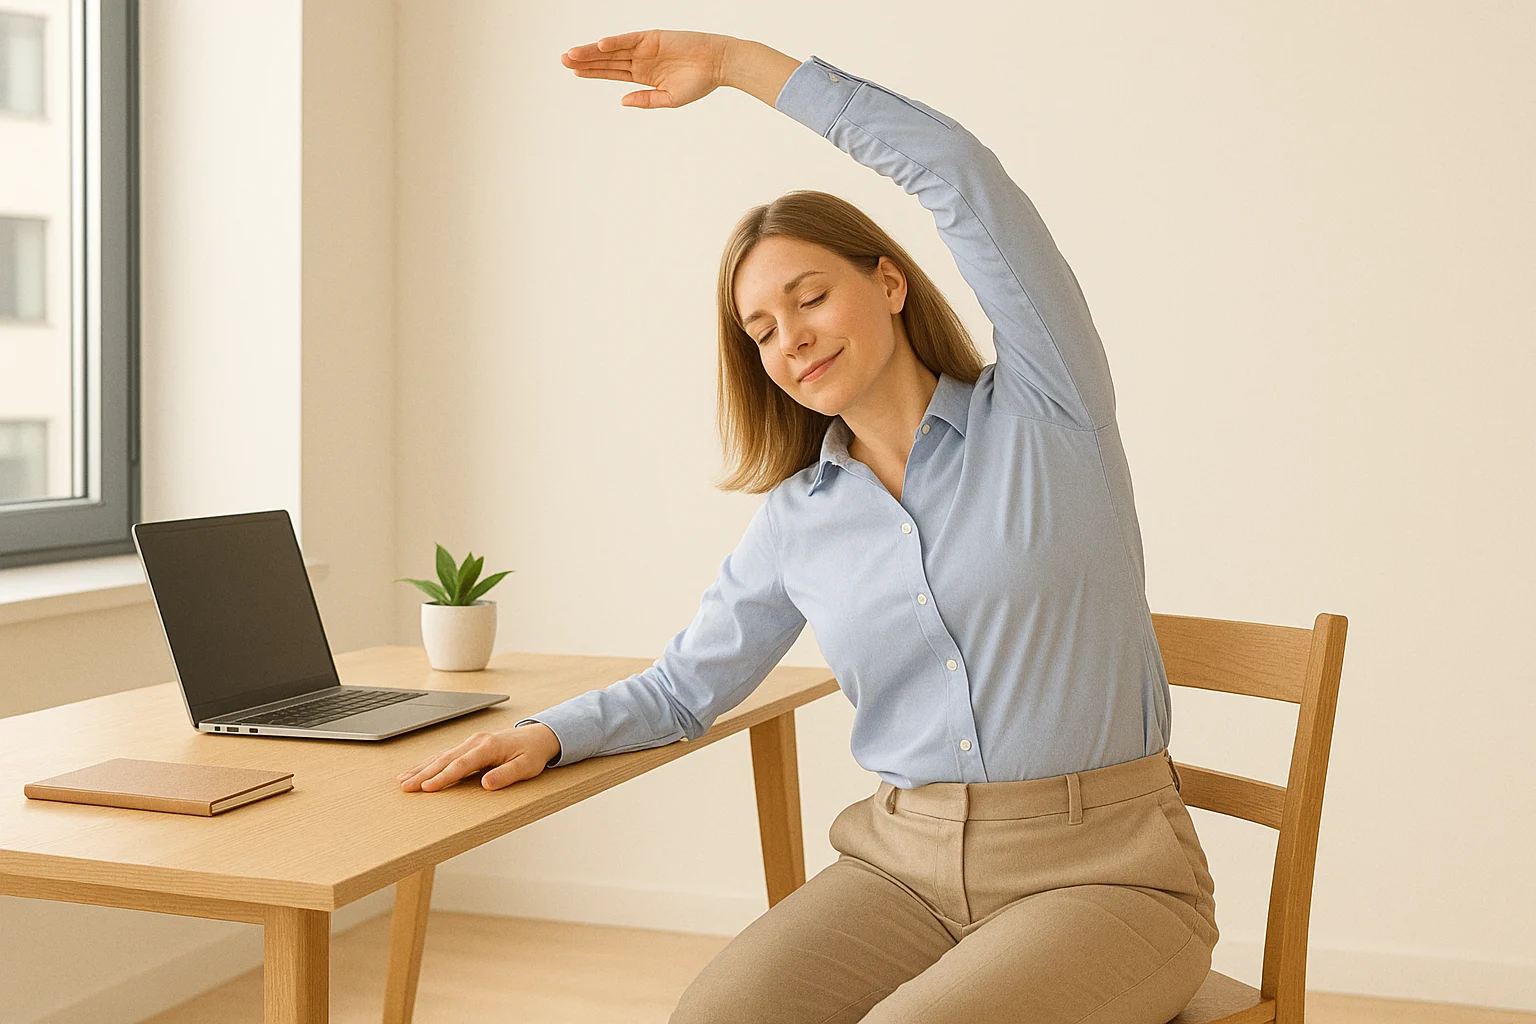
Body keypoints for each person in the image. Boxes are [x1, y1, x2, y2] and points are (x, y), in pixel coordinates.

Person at [398, 28, 1218, 1024]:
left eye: (809, 297)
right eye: (761, 331)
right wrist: (546, 734)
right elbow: (682, 687)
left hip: (1107, 877)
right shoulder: (800, 518)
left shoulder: (1051, 411)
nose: (791, 339)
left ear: (888, 282)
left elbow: (959, 172)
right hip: (902, 867)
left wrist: (745, 69)